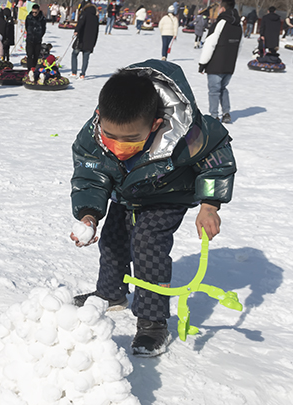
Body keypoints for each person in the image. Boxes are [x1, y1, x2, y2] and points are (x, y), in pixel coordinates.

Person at [69, 61, 235, 356]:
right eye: (112, 136)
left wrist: (210, 205)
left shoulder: (190, 134)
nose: (119, 145)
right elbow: (90, 173)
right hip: (126, 195)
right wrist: (89, 213)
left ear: (156, 124)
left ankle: (153, 322)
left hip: (167, 195)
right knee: (113, 241)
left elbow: (217, 162)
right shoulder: (94, 134)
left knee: (148, 243)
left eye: (131, 139)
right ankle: (111, 293)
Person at [198, 0, 242, 123]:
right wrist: (232, 59)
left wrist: (203, 63)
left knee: (214, 90)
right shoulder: (238, 24)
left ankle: (214, 116)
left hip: (216, 63)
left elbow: (210, 43)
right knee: (223, 88)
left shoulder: (221, 22)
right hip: (229, 63)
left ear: (222, 8)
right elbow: (240, 45)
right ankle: (226, 113)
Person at [71, 2, 99, 79]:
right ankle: (82, 74)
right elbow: (96, 31)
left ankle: (74, 72)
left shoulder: (84, 14)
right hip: (90, 41)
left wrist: (76, 31)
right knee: (85, 57)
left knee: (74, 54)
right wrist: (94, 42)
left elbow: (80, 23)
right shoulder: (95, 18)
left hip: (81, 39)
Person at [25, 4, 46, 76]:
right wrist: (30, 33)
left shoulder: (42, 19)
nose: (34, 14)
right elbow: (26, 26)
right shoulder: (29, 17)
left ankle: (34, 68)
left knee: (36, 55)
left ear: (38, 11)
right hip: (30, 39)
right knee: (29, 55)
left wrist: (39, 35)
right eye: (33, 12)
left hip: (37, 40)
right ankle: (29, 70)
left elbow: (43, 29)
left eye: (35, 12)